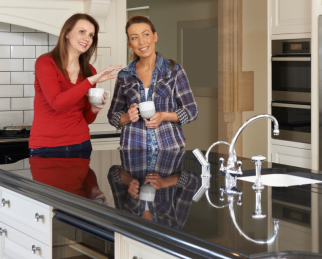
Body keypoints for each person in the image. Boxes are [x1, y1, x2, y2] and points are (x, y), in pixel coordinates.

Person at [29, 13, 121, 157]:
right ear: (67, 33)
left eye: (91, 35)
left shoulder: (90, 71)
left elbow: (86, 119)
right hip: (46, 147)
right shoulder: (46, 63)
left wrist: (93, 109)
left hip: (81, 144)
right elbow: (57, 103)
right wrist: (90, 81)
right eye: (82, 31)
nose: (87, 38)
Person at [107, 16, 198, 150]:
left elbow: (192, 110)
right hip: (133, 152)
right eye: (134, 37)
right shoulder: (124, 75)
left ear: (155, 36)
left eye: (146, 34)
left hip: (169, 151)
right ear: (129, 43)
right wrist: (127, 116)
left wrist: (164, 116)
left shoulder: (174, 71)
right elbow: (112, 116)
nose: (141, 42)